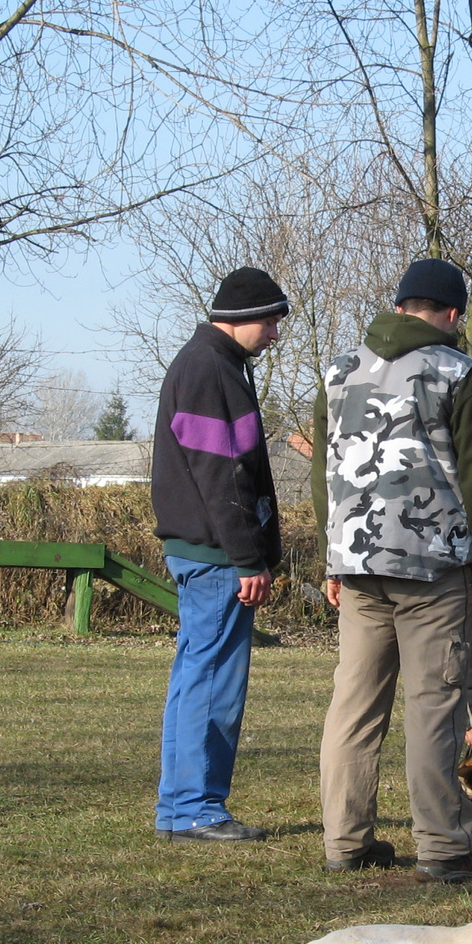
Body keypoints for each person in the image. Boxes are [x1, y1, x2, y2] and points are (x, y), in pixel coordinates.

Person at [313, 258, 472, 884]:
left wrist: (332, 556)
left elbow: (327, 469)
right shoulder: (458, 372)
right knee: (436, 706)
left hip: (355, 563)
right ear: (453, 315)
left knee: (355, 703)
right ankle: (444, 849)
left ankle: (345, 840)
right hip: (431, 567)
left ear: (400, 304)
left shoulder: (339, 369)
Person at [150, 267, 288, 842]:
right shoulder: (210, 368)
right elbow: (221, 476)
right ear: (244, 317)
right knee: (213, 684)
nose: (275, 335)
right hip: (216, 557)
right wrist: (247, 559)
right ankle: (199, 809)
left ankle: (178, 808)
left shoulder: (210, 362)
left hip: (201, 552)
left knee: (194, 677)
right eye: (272, 322)